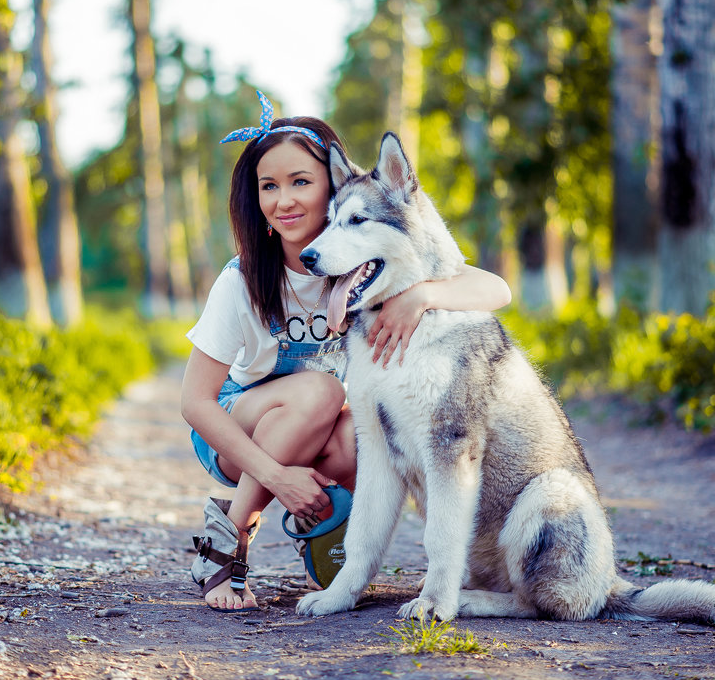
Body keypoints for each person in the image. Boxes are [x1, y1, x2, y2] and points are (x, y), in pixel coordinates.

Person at [181, 90, 513, 612]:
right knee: (320, 390)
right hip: (234, 429)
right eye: (269, 186)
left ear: (334, 187)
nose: (284, 199)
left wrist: (423, 296)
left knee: (368, 432)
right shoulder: (241, 280)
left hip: (320, 428)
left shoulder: (368, 264)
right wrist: (277, 478)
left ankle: (321, 529)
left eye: (301, 182)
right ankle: (226, 546)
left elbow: (497, 290)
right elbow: (194, 403)